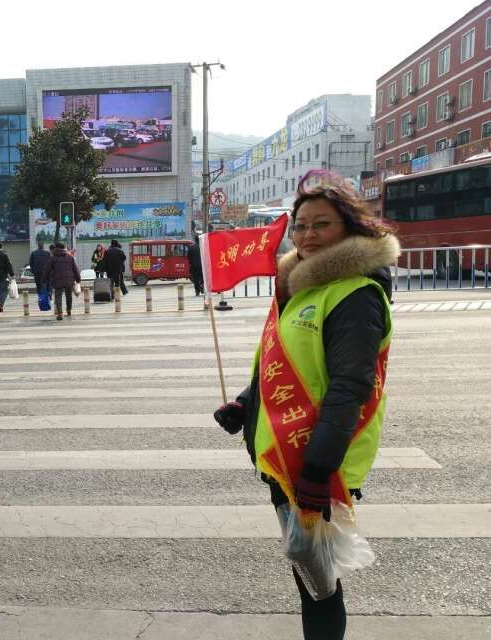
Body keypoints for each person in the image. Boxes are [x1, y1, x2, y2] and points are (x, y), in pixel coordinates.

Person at [213, 171, 400, 640]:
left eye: (322, 224)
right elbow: (282, 361)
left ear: (349, 227)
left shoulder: (355, 294)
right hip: (288, 457)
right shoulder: (302, 288)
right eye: (300, 226)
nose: (308, 235)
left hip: (316, 463)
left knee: (319, 584)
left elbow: (349, 387)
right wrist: (245, 403)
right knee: (310, 574)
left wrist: (317, 470)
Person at [42, 242, 81, 321]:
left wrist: (44, 279)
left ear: (55, 248)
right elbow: (75, 269)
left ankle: (60, 313)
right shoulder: (70, 257)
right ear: (64, 248)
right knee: (68, 296)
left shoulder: (53, 258)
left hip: (57, 280)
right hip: (69, 280)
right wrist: (78, 279)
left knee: (58, 297)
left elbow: (47, 270)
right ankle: (69, 310)